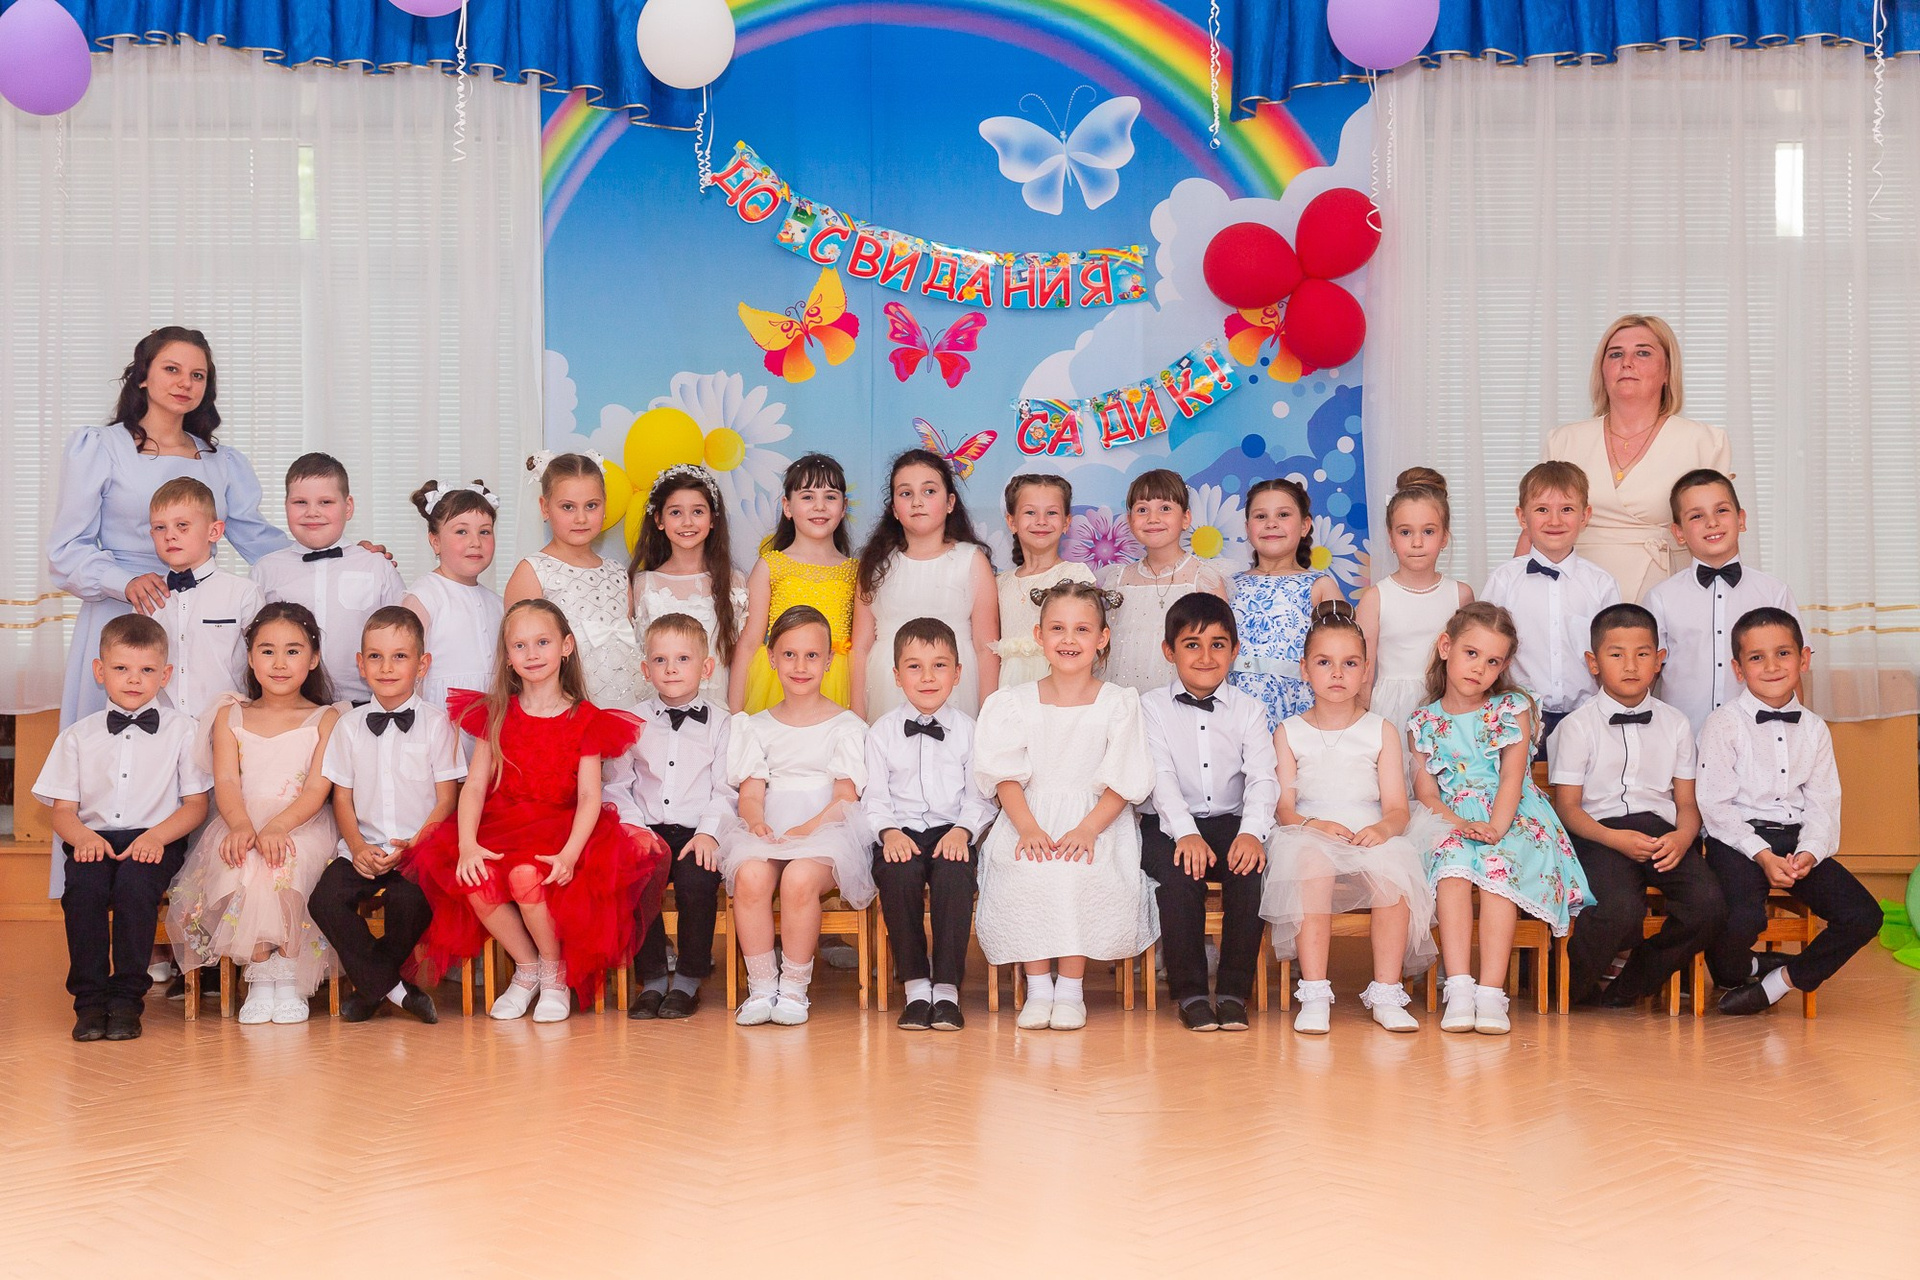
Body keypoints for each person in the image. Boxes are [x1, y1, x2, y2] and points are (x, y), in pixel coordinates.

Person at [402, 600, 667, 1022]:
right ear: (508, 657)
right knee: (474, 877)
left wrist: (570, 854)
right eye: (520, 645)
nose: (532, 654)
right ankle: (527, 969)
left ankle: (554, 973)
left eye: (542, 642)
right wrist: (467, 844)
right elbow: (474, 787)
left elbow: (589, 797)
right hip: (502, 825)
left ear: (566, 646)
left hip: (563, 830)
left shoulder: (585, 718)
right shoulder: (496, 712)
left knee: (526, 876)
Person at [48, 327, 289, 734]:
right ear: (143, 376)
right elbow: (67, 549)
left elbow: (262, 543)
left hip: (201, 621)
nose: (185, 383)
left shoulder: (222, 461)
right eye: (172, 369)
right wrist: (123, 582)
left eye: (198, 375)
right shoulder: (100, 447)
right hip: (120, 612)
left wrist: (342, 554)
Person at [973, 580, 1158, 1032]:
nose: (1069, 639)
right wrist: (1028, 828)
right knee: (1029, 870)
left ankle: (1071, 990)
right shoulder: (1012, 702)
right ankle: (1039, 989)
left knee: (1077, 871)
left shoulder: (1119, 703)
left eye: (1082, 629)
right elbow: (1005, 776)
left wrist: (1088, 829)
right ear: (1039, 636)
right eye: (1057, 628)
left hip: (1097, 819)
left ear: (1102, 638)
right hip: (1028, 815)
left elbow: (1123, 780)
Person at [1408, 603, 1591, 1035]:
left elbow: (1512, 776)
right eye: (1471, 654)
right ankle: (1459, 988)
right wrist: (1460, 824)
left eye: (1493, 661)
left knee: (1498, 867)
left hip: (1512, 814)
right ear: (1446, 647)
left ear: (1504, 666)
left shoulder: (1512, 707)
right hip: (1451, 817)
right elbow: (1427, 793)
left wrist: (1495, 828)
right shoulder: (1424, 721)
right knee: (1451, 867)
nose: (1479, 668)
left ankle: (1491, 993)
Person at [32, 615, 211, 1041]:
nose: (134, 679)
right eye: (121, 668)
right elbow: (62, 811)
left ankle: (127, 999)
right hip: (91, 840)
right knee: (84, 893)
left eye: (147, 669)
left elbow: (196, 805)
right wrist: (82, 838)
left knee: (135, 889)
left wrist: (156, 837)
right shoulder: (77, 736)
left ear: (165, 675)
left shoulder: (184, 731)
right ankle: (90, 1002)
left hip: (156, 839)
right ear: (100, 671)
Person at [1265, 602, 1439, 1034]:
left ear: (1366, 671)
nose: (1337, 673)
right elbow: (1284, 809)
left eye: (1350, 663)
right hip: (1308, 832)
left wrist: (1381, 829)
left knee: (1394, 875)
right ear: (1305, 669)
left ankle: (1386, 992)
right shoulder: (1288, 731)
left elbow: (1397, 809)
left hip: (1368, 831)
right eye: (1324, 662)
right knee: (1311, 866)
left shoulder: (1380, 730)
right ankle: (1314, 992)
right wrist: (1314, 826)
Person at [1698, 608, 1881, 1015]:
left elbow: (1823, 800)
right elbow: (1714, 805)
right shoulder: (1723, 723)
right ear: (1738, 669)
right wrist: (1763, 855)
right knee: (1740, 919)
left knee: (1864, 915)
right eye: (1757, 657)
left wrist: (1810, 851)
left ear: (1804, 658)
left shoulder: (1815, 728)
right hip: (1738, 838)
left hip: (1796, 837)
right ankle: (1742, 967)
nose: (1772, 666)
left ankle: (1780, 982)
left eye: (1783, 653)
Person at [166, 603, 343, 1025]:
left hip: (301, 822)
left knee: (286, 862)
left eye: (293, 651)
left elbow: (316, 788)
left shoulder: (327, 718)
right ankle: (260, 976)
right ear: (250, 657)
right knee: (244, 861)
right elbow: (226, 781)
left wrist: (279, 825)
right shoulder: (230, 714)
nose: (279, 663)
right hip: (241, 818)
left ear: (313, 658)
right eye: (267, 651)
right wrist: (242, 825)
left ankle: (289, 976)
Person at [1548, 604, 1723, 1008]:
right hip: (1598, 833)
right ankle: (1573, 989)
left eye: (1642, 654)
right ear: (1593, 662)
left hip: (1662, 833)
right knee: (1618, 910)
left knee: (1709, 906)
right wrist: (1615, 840)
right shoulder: (1577, 726)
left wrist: (1683, 837)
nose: (1630, 665)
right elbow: (1568, 808)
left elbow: (1686, 801)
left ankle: (1633, 983)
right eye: (1616, 654)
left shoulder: (1676, 723)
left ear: (1659, 660)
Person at [721, 605, 875, 1026]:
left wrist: (806, 830)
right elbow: (751, 794)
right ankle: (761, 986)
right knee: (750, 876)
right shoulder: (754, 727)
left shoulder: (847, 726)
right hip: (772, 826)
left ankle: (792, 987)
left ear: (829, 661)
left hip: (825, 828)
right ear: (771, 658)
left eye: (811, 656)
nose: (800, 666)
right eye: (789, 655)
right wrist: (756, 822)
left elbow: (845, 798)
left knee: (799, 878)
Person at [311, 607, 464, 1025]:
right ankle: (396, 990)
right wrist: (358, 847)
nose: (387, 667)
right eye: (375, 657)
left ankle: (370, 989)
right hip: (362, 847)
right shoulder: (348, 726)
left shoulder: (438, 725)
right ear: (361, 665)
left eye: (400, 656)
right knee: (324, 899)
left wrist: (418, 843)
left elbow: (446, 800)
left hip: (419, 850)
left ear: (422, 664)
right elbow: (342, 799)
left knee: (411, 902)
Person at [1139, 593, 1278, 1033]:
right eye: (1191, 644)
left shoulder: (1250, 710)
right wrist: (1185, 833)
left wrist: (1252, 832)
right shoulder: (1150, 707)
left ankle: (1234, 992)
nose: (1205, 656)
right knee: (1179, 878)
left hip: (1231, 822)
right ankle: (1191, 993)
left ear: (1234, 651)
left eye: (1218, 644)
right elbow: (1160, 776)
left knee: (1250, 873)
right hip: (1168, 823)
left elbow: (1262, 778)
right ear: (1169, 651)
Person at [1541, 315, 1735, 602]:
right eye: (1615, 354)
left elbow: (1722, 536)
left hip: (1669, 594)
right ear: (1602, 370)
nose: (1627, 362)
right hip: (1575, 594)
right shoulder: (1563, 441)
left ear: (1667, 370)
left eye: (1643, 353)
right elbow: (1535, 529)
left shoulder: (1705, 442)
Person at [864, 617, 997, 1031]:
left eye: (939, 666)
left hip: (951, 830)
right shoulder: (881, 733)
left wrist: (963, 831)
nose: (927, 677)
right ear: (896, 675)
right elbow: (873, 797)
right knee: (898, 876)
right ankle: (916, 988)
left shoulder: (971, 732)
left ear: (957, 674)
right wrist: (888, 832)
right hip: (898, 831)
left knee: (955, 878)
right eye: (914, 666)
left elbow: (981, 796)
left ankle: (948, 990)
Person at [604, 613, 737, 1021]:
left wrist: (709, 834)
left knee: (697, 883)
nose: (671, 669)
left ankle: (688, 981)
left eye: (683, 659)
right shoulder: (631, 722)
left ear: (706, 667)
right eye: (660, 660)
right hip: (647, 830)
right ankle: (653, 979)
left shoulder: (724, 724)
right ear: (646, 670)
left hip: (698, 832)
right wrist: (634, 830)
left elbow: (726, 790)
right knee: (635, 880)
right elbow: (617, 785)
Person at [1643, 470, 1799, 735]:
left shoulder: (1774, 593)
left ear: (1741, 519)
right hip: (1683, 742)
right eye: (1696, 516)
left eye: (1721, 511)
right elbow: (1646, 677)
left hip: (1757, 740)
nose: (1712, 523)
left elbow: (1792, 676)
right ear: (1678, 533)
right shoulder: (1660, 598)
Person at [1481, 461, 1621, 753]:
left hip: (1588, 716)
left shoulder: (1601, 584)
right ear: (1522, 517)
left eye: (1566, 509)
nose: (1554, 520)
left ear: (1585, 516)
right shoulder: (1503, 581)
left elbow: (1614, 653)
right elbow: (1485, 649)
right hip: (1518, 716)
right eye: (1542, 509)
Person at [852, 449, 999, 720]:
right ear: (894, 509)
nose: (917, 502)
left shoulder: (971, 560)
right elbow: (860, 648)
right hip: (887, 686)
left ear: (950, 502)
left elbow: (986, 647)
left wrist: (989, 717)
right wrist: (857, 716)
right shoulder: (875, 565)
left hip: (957, 689)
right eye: (906, 493)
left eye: (929, 491)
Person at [252, 453, 405, 705]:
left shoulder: (376, 566)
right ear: (286, 505)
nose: (312, 512)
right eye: (300, 502)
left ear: (348, 507)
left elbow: (402, 638)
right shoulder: (265, 570)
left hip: (363, 705)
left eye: (325, 502)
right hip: (289, 708)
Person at [505, 452, 640, 708]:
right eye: (568, 507)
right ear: (545, 507)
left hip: (625, 706)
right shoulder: (533, 572)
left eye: (591, 506)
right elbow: (520, 654)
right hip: (563, 713)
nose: (581, 518)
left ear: (605, 505)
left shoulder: (618, 573)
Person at [730, 454, 858, 714]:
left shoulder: (855, 571)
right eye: (808, 497)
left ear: (843, 507)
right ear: (787, 507)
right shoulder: (770, 566)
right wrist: (735, 713)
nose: (820, 506)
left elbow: (862, 648)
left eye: (830, 497)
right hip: (779, 680)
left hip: (836, 683)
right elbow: (749, 642)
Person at [1355, 467, 1472, 733]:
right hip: (1390, 712)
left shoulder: (1461, 595)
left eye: (1428, 532)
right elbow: (1363, 671)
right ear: (1391, 538)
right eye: (1405, 532)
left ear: (1444, 536)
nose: (1417, 542)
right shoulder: (1375, 598)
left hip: (1445, 709)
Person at [1098, 469, 1231, 694]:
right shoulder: (1118, 580)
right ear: (1130, 520)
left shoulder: (1203, 578)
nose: (1153, 518)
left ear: (1186, 518)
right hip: (1125, 698)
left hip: (1184, 700)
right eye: (1142, 510)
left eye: (1165, 508)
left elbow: (1220, 647)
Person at [628, 464, 747, 709]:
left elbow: (741, 657)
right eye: (675, 512)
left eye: (698, 511)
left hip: (718, 712)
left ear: (713, 519)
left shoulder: (733, 582)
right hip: (657, 712)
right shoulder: (642, 585)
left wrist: (736, 717)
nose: (687, 522)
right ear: (659, 520)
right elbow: (635, 657)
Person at [145, 477, 263, 719]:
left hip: (227, 724)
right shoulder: (149, 597)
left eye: (182, 525)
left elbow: (263, 663)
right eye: (160, 527)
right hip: (164, 727)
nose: (170, 536)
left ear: (214, 531)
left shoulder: (243, 593)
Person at [1229, 477, 1341, 731]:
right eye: (1261, 516)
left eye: (1283, 515)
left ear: (1304, 525)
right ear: (1247, 527)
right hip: (1236, 710)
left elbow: (1342, 654)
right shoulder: (1229, 585)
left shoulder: (1320, 586)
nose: (1271, 523)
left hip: (1299, 711)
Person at [399, 479, 504, 714]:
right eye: (461, 531)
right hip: (439, 717)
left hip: (491, 720)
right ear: (435, 541)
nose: (475, 542)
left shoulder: (498, 604)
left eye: (484, 532)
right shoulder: (424, 597)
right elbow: (405, 667)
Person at [991, 473, 1094, 688]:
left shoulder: (1076, 576)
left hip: (1060, 687)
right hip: (1009, 689)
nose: (1041, 521)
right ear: (1012, 521)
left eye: (1051, 513)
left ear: (1066, 522)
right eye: (1030, 512)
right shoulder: (999, 583)